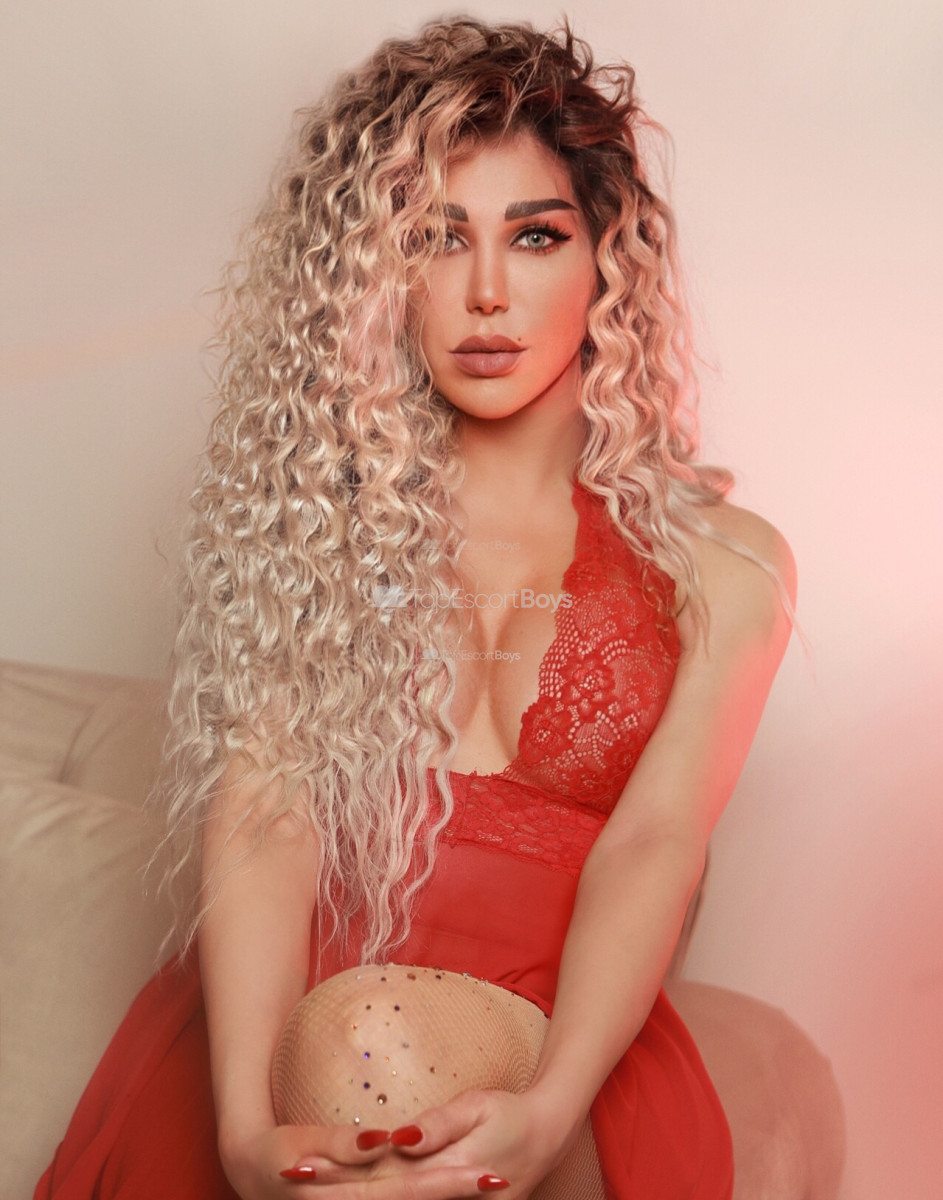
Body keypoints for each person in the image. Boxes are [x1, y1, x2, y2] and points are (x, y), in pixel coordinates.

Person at [35, 16, 797, 1200]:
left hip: (554, 1032)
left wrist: (550, 1109)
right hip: (280, 1021)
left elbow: (656, 845)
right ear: (378, 275)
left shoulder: (722, 567)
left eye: (534, 236)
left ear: (606, 260)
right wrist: (241, 1126)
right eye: (436, 239)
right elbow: (265, 819)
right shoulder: (305, 531)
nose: (486, 293)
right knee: (357, 1042)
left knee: (376, 1045)